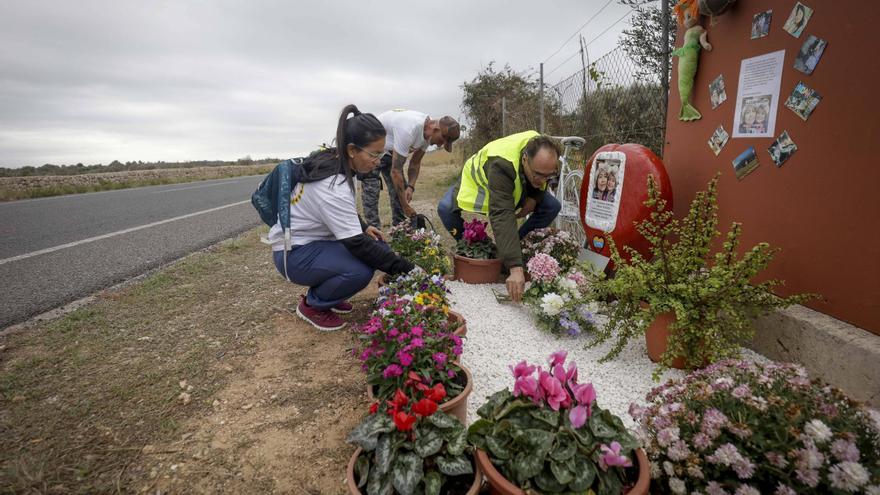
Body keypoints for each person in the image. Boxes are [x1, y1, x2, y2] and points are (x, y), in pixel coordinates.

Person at [266, 104, 418, 331]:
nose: (379, 160)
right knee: (360, 270)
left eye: (383, 152)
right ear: (352, 150)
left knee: (375, 247)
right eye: (374, 154)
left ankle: (330, 295)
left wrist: (365, 226)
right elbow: (356, 243)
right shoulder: (332, 185)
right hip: (294, 255)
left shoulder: (337, 162)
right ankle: (313, 305)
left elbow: (340, 212)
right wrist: (408, 269)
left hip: (310, 244)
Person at [437, 131, 562, 303]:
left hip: (512, 186)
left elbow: (543, 175)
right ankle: (481, 250)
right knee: (445, 209)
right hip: (479, 186)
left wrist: (535, 196)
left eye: (548, 176)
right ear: (525, 159)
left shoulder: (541, 150)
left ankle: (513, 248)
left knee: (552, 206)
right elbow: (503, 214)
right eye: (538, 175)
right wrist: (516, 268)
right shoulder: (501, 163)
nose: (543, 181)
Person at [359, 110, 460, 228]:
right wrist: (406, 206)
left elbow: (415, 163)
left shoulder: (427, 134)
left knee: (400, 190)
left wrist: (411, 187)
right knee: (372, 192)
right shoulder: (409, 129)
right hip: (370, 148)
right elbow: (395, 171)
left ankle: (400, 231)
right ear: (435, 129)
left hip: (390, 152)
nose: (439, 145)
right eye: (441, 141)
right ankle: (374, 235)